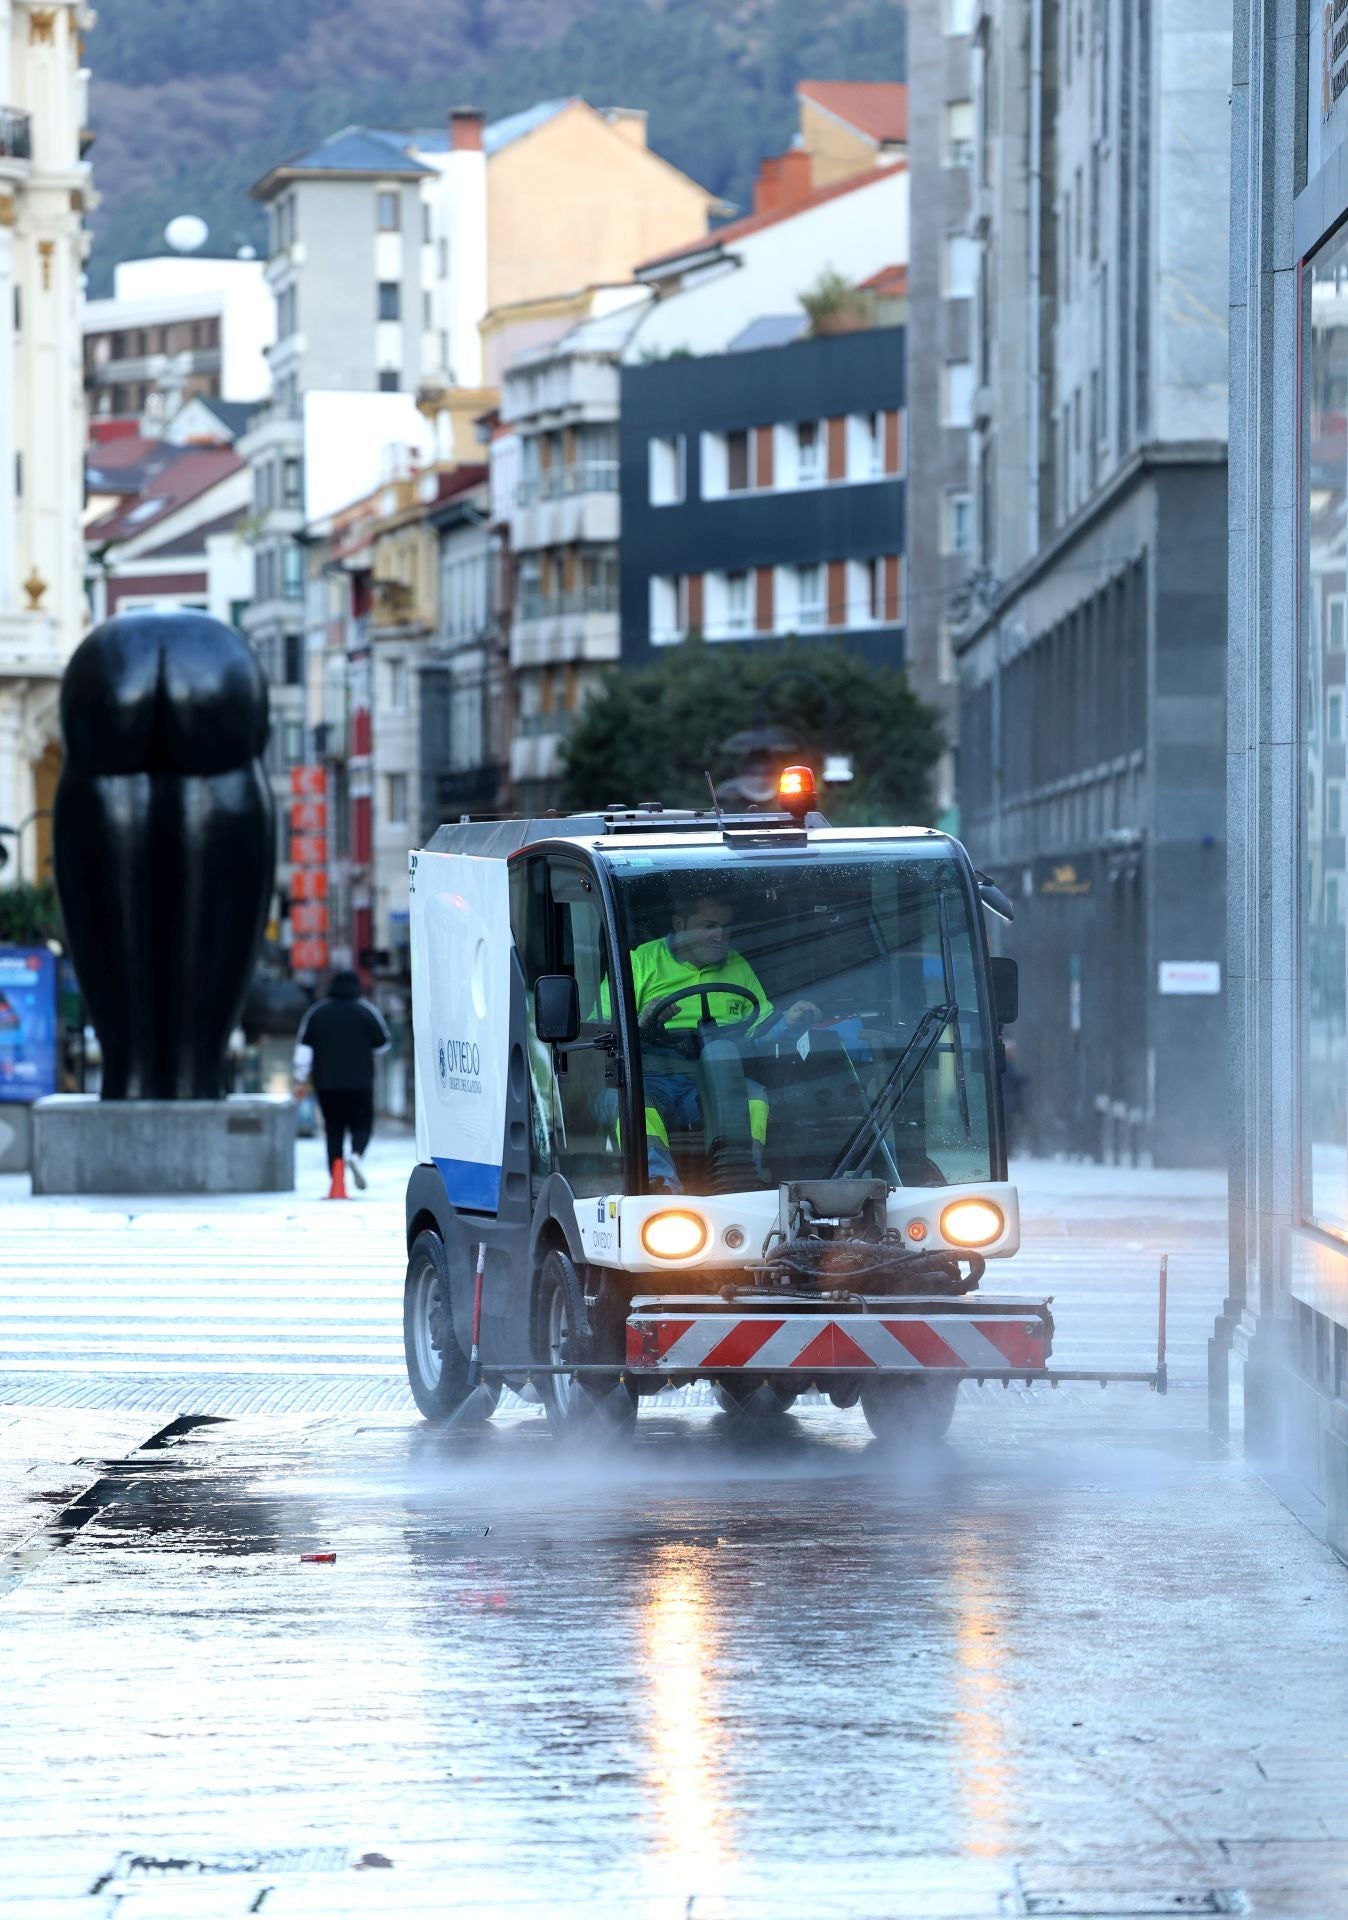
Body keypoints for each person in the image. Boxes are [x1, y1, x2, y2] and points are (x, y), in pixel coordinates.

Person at [628, 894, 819, 1188]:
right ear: (679, 923)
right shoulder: (639, 962)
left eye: (725, 928)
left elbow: (760, 1028)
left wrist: (788, 1022)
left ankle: (743, 1179)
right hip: (654, 1078)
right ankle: (658, 1182)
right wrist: (643, 1022)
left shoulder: (737, 964)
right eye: (708, 926)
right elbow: (602, 1029)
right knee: (633, 1103)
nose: (720, 937)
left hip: (714, 1078)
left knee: (753, 1096)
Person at [293, 970, 392, 1198]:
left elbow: (303, 1050)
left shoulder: (317, 1012)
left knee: (333, 1129)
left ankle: (337, 1179)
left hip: (327, 1083)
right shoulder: (366, 1010)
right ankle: (356, 1155)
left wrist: (300, 1080)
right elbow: (383, 1044)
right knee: (362, 1125)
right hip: (360, 1082)